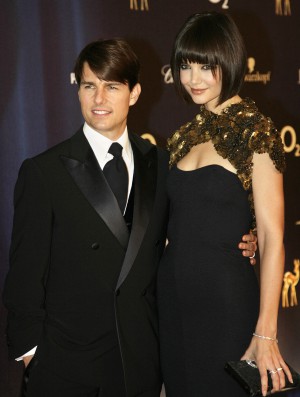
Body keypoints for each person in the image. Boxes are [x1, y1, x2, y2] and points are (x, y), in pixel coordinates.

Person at [3, 38, 256, 397]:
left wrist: (247, 237)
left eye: (112, 87)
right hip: (67, 367)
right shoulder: (44, 172)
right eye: (89, 86)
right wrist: (33, 356)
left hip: (139, 364)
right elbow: (23, 279)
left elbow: (190, 229)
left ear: (134, 93)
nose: (99, 99)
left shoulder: (162, 164)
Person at [157, 11, 292, 397]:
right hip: (174, 302)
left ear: (229, 62)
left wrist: (266, 331)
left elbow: (270, 236)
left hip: (226, 303)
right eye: (185, 66)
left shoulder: (256, 129)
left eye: (206, 66)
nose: (193, 79)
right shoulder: (183, 136)